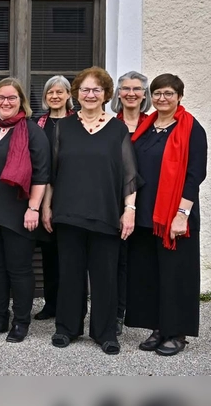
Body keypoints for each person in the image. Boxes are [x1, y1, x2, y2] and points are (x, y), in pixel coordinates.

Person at [42, 66, 138, 355]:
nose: (91, 94)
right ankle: (67, 328)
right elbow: (52, 172)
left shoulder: (117, 128)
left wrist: (129, 209)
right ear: (77, 94)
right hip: (68, 211)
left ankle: (105, 332)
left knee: (104, 275)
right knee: (69, 273)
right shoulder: (64, 127)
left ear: (106, 94)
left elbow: (129, 173)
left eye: (97, 89)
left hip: (106, 211)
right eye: (85, 89)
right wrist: (47, 206)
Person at [127, 73, 207, 356]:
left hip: (175, 216)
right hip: (147, 215)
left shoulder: (190, 128)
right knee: (150, 274)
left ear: (179, 97)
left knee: (176, 276)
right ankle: (158, 328)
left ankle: (177, 333)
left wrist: (182, 214)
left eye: (168, 94)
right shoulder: (147, 127)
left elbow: (195, 175)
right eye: (158, 93)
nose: (162, 99)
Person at [0, 78, 50, 343]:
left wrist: (33, 208)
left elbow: (42, 173)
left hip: (19, 211)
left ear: (21, 102)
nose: (6, 102)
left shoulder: (32, 131)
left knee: (19, 269)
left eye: (12, 98)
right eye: (1, 98)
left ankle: (21, 321)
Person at [109, 70, 153, 334]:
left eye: (137, 89)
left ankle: (145, 314)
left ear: (144, 95)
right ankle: (116, 315)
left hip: (149, 202)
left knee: (144, 259)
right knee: (119, 261)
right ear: (118, 94)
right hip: (117, 202)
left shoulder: (155, 125)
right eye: (125, 88)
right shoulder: (111, 125)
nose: (131, 93)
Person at [33, 75, 75, 321]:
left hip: (70, 195)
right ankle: (50, 304)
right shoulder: (39, 122)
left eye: (60, 92)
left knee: (69, 253)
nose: (55, 96)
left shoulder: (77, 122)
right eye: (51, 92)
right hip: (43, 195)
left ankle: (68, 305)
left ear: (69, 96)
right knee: (49, 253)